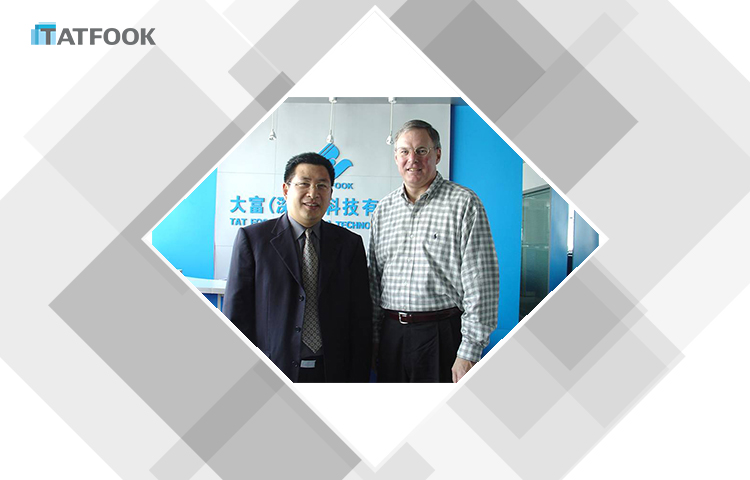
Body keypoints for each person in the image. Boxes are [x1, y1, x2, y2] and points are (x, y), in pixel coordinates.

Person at [369, 120, 499, 383]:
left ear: (437, 154)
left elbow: (481, 283)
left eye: (422, 150)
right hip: (391, 335)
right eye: (404, 151)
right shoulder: (383, 209)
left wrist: (469, 351)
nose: (412, 159)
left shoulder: (464, 203)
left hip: (441, 335)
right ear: (396, 157)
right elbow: (374, 281)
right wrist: (373, 338)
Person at [224, 152, 372, 383]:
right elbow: (237, 316)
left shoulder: (349, 244)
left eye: (322, 185)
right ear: (286, 190)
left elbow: (360, 317)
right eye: (304, 184)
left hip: (333, 372)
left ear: (331, 193)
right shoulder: (254, 240)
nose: (313, 193)